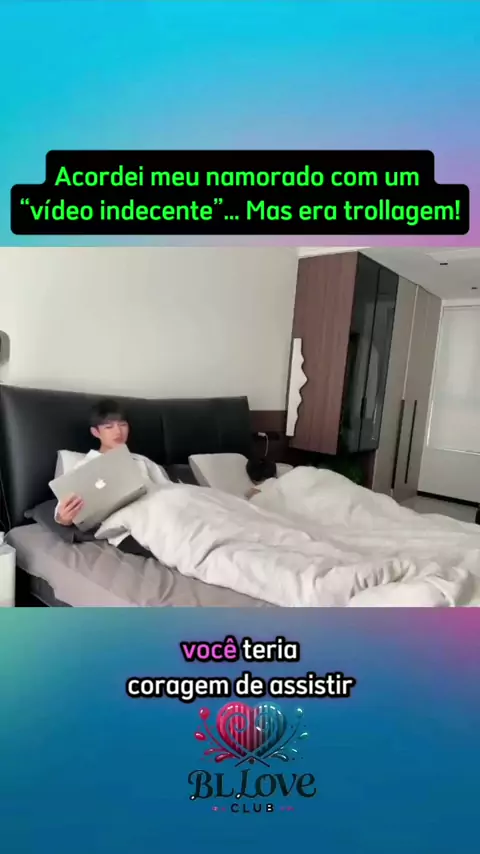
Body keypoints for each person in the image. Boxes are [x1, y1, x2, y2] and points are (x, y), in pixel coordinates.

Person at [55, 398, 168, 555]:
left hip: (162, 512)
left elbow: (167, 489)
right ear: (96, 432)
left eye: (123, 425)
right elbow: (62, 510)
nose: (118, 432)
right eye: (109, 427)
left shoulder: (142, 461)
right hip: (130, 527)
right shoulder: (84, 467)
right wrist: (64, 518)